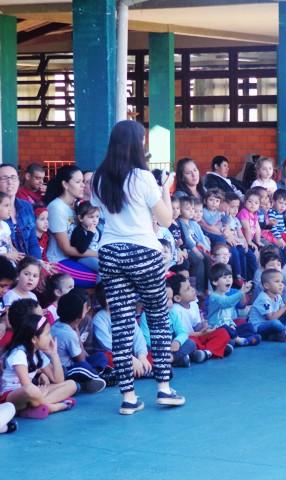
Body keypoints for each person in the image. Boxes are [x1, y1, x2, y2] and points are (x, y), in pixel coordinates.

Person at [91, 119, 185, 415]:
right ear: (136, 144)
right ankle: (164, 389)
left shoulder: (98, 178)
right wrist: (166, 188)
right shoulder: (142, 178)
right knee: (158, 319)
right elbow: (167, 220)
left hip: (110, 251)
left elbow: (104, 211)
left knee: (121, 323)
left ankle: (128, 397)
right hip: (143, 251)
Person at [1, 314, 77, 420]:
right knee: (32, 390)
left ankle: (31, 409)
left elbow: (58, 380)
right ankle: (52, 407)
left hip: (33, 394)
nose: (50, 338)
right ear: (34, 339)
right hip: (10, 396)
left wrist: (54, 354)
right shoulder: (19, 353)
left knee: (71, 384)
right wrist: (41, 392)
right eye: (47, 334)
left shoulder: (38, 353)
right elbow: (26, 385)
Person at [44, 165, 98, 288]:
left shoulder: (76, 206)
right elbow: (66, 249)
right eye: (78, 182)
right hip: (59, 261)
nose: (83, 185)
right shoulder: (56, 208)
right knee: (104, 276)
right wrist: (96, 254)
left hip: (75, 258)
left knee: (111, 271)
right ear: (66, 184)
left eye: (83, 182)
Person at [50, 290, 109, 392]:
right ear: (81, 315)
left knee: (100, 356)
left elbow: (84, 355)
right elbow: (80, 360)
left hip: (73, 363)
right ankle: (96, 377)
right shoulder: (68, 333)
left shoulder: (56, 325)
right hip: (65, 369)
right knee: (83, 367)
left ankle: (92, 377)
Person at [165, 274, 231, 359]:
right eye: (188, 289)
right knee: (191, 342)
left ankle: (206, 352)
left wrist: (203, 325)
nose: (193, 290)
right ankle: (215, 349)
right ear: (178, 298)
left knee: (223, 332)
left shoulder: (193, 304)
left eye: (191, 286)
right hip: (186, 339)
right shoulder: (175, 310)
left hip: (197, 335)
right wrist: (200, 333)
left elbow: (196, 327)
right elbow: (181, 335)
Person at [206, 263, 258, 346]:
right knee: (225, 329)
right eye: (224, 277)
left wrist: (232, 324)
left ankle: (236, 340)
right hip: (216, 329)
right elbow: (226, 303)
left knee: (249, 327)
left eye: (230, 277)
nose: (228, 280)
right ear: (215, 282)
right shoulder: (213, 296)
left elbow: (228, 317)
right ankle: (238, 340)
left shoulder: (226, 296)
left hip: (229, 328)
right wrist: (241, 292)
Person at [0, 164, 42, 260]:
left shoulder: (27, 206)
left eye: (14, 178)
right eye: (4, 178)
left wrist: (38, 263)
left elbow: (33, 242)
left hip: (26, 266)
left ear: (19, 181)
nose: (10, 182)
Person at [248, 269, 286, 342]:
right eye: (277, 281)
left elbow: (283, 314)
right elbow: (272, 319)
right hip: (259, 327)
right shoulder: (263, 298)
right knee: (275, 323)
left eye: (282, 282)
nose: (281, 284)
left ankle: (276, 336)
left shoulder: (277, 296)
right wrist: (285, 306)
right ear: (267, 285)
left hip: (271, 325)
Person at [69, 201, 101, 275]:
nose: (95, 220)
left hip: (94, 255)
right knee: (102, 267)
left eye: (97, 216)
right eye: (91, 217)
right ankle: (100, 286)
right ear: (80, 218)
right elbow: (81, 249)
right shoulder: (79, 231)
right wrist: (90, 233)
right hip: (82, 258)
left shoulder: (97, 230)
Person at [0, 192, 25, 265]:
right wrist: (7, 256)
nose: (10, 209)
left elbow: (10, 247)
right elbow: (8, 255)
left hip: (9, 268)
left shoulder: (5, 225)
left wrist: (19, 256)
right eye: (6, 206)